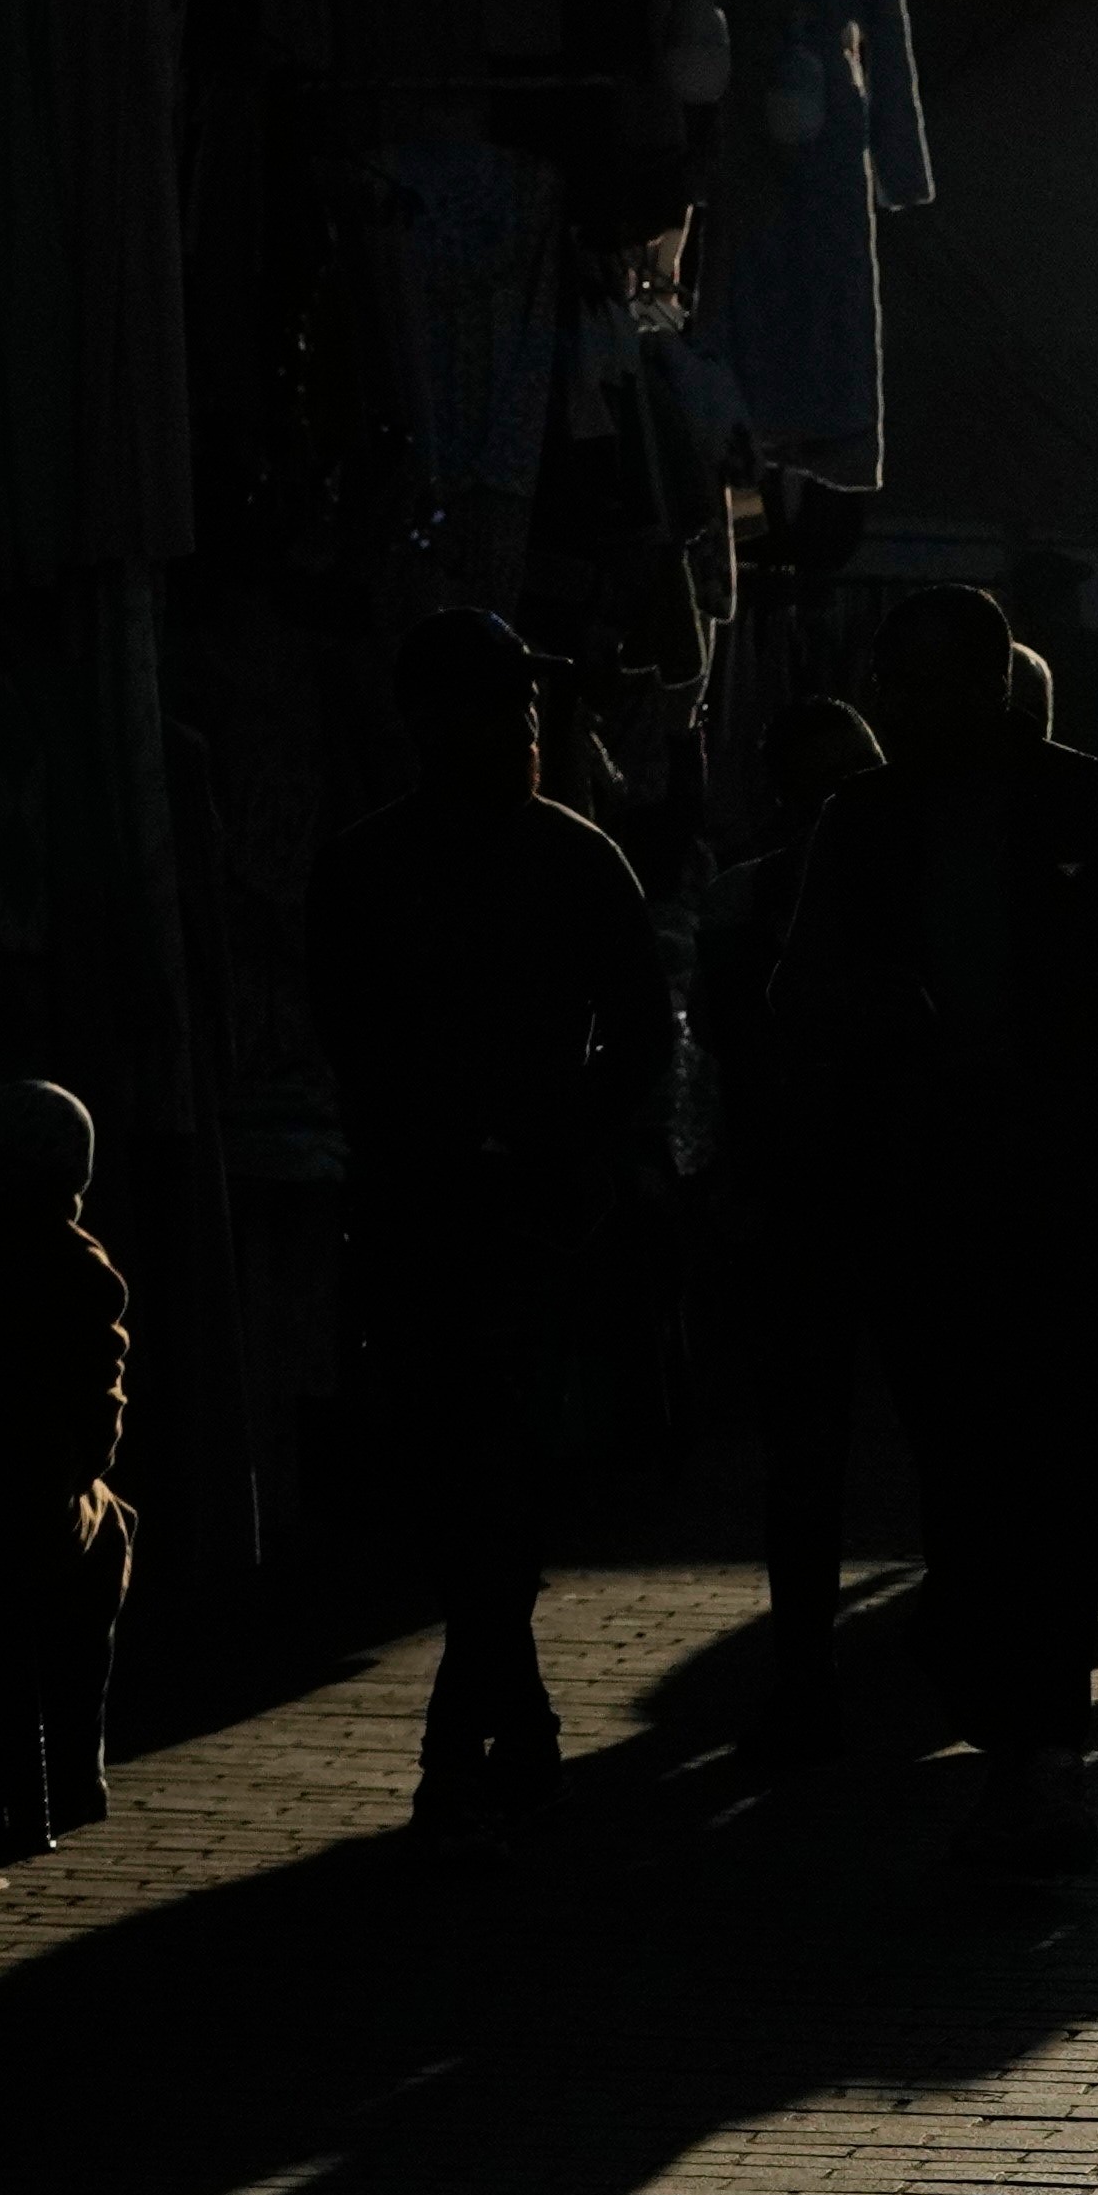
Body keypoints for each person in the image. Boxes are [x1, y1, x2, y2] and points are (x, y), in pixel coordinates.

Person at [725, 586, 1098, 1869]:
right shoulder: (863, 824)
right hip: (921, 1200)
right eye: (891, 681)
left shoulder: (1096, 807)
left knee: (1044, 1469)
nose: (897, 706)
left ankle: (1037, 1743)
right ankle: (1015, 1725)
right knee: (966, 1472)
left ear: (985, 684)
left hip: (1059, 1200)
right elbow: (800, 992)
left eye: (918, 681)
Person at [311, 612, 670, 1822]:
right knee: (462, 1469)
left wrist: (563, 1140)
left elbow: (638, 1029)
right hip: (427, 1203)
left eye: (522, 708)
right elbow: (346, 1032)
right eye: (494, 708)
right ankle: (497, 1715)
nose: (519, 729)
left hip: (527, 1211)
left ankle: (478, 1727)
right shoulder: (376, 866)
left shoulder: (570, 857)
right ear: (426, 722)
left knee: (501, 1468)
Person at [0, 1074, 140, 1855]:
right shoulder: (75, 1265)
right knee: (112, 1532)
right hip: (18, 1498)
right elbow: (100, 1414)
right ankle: (74, 1770)